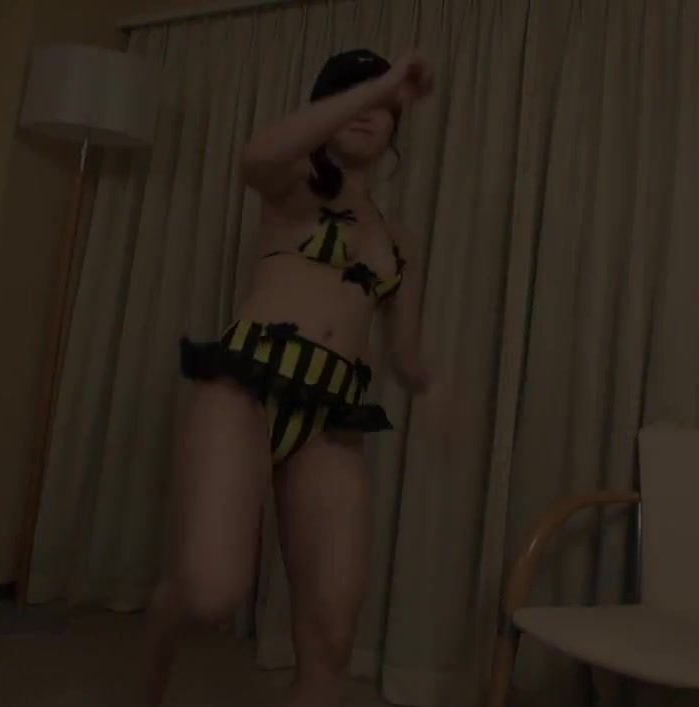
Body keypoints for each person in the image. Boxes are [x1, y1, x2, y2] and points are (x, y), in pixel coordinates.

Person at [142, 49, 444, 707]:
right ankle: (153, 664)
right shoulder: (296, 186)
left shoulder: (403, 241)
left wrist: (437, 388)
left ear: (397, 127)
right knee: (208, 593)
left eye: (383, 107)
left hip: (331, 418)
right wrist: (386, 82)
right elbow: (256, 154)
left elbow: (404, 351)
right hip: (246, 388)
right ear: (324, 111)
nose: (368, 112)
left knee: (332, 635)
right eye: (351, 97)